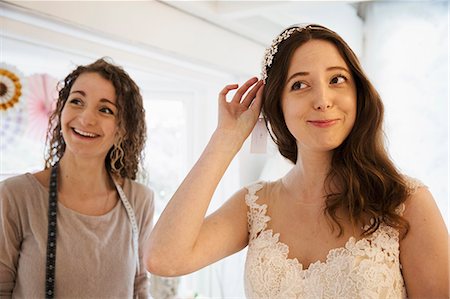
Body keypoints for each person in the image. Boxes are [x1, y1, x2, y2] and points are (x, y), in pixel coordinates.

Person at [145, 24, 448, 298]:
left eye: (337, 79)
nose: (323, 99)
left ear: (358, 94)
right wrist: (226, 139)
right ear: (277, 104)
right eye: (300, 85)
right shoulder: (254, 206)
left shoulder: (406, 202)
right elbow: (164, 258)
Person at [0, 58, 154, 298]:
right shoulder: (15, 195)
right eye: (77, 101)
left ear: (122, 129)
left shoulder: (140, 200)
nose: (86, 118)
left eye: (105, 109)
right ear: (62, 110)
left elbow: (140, 286)